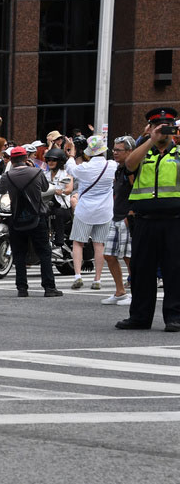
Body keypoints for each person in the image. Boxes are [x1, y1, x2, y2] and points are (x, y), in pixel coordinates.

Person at [117, 106, 180, 331]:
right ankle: (140, 317)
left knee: (174, 270)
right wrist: (148, 140)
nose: (162, 131)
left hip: (174, 221)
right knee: (142, 270)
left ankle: (174, 317)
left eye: (166, 127)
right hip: (145, 220)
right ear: (150, 128)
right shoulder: (145, 151)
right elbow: (129, 164)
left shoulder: (178, 153)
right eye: (157, 126)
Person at [0, 146, 61, 297]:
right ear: (26, 159)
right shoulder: (37, 172)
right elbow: (45, 188)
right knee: (44, 252)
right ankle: (49, 288)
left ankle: (22, 289)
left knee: (19, 254)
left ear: (11, 160)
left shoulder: (7, 175)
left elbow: (0, 190)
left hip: (16, 218)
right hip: (37, 217)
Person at [63, 135, 116, 292]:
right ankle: (97, 279)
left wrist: (71, 153)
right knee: (99, 245)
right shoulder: (111, 165)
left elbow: (70, 169)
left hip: (85, 210)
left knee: (78, 242)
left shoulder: (85, 168)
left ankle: (78, 276)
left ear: (88, 152)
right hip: (104, 211)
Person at [102, 136, 136, 306]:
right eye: (114, 150)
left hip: (126, 218)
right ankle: (120, 291)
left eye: (118, 150)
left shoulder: (131, 169)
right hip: (116, 216)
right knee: (109, 255)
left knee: (130, 258)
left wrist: (131, 213)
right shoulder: (119, 169)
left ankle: (137, 294)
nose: (114, 153)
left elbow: (137, 191)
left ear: (129, 151)